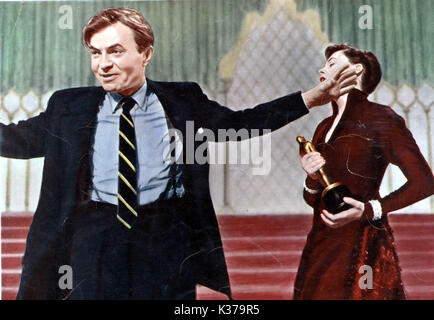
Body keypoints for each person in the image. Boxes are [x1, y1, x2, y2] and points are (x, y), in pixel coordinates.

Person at [0, 9, 357, 300]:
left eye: (115, 51)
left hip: (164, 238)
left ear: (145, 53)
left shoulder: (183, 100)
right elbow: (14, 140)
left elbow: (243, 123)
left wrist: (311, 98)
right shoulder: (69, 106)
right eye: (96, 53)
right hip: (94, 239)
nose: (103, 64)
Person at [293, 44, 434, 300]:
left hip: (363, 243)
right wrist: (311, 179)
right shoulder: (323, 127)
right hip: (321, 245)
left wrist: (370, 210)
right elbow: (314, 199)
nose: (321, 69)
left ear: (356, 70)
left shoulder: (382, 118)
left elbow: (425, 182)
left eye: (332, 63)